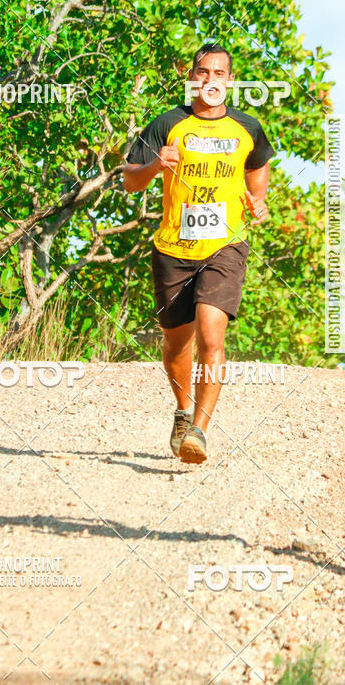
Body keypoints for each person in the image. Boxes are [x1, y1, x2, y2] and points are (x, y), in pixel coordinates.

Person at [123, 43, 275, 464]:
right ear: (191, 77)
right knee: (176, 343)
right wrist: (156, 165)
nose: (210, 80)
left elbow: (258, 160)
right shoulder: (167, 124)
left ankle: (200, 430)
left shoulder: (247, 127)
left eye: (218, 73)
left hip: (225, 244)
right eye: (202, 72)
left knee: (212, 335)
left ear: (230, 80)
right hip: (172, 248)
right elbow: (129, 181)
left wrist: (257, 198)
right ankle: (182, 408)